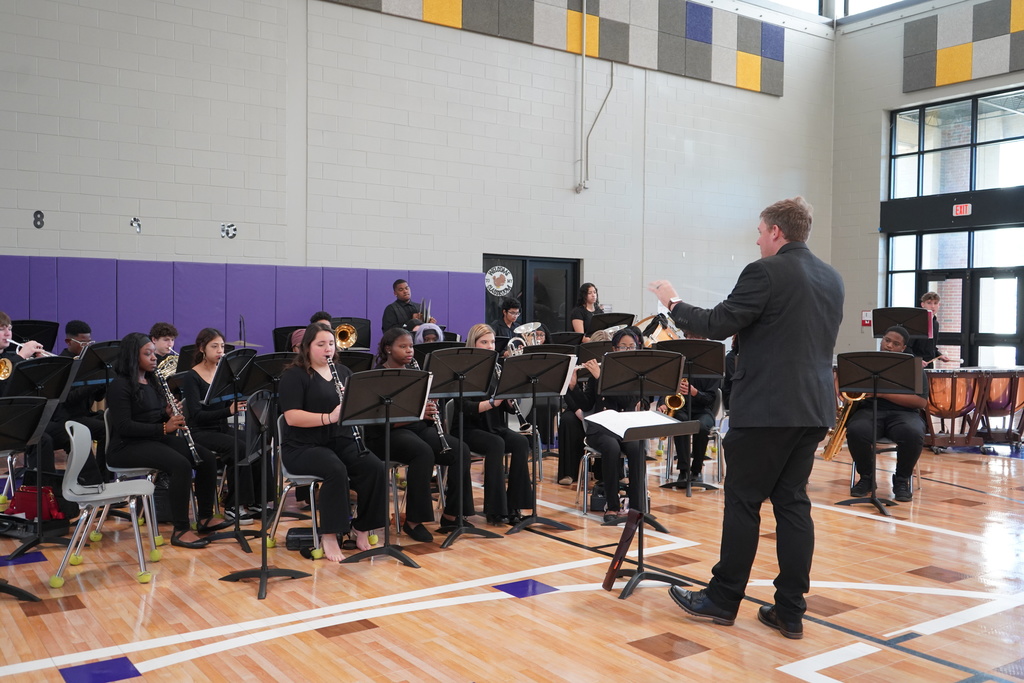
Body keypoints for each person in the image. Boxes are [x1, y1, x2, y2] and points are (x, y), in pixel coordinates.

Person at [650, 196, 844, 640]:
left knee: (742, 502)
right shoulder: (831, 277)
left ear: (777, 231)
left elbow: (716, 323)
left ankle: (722, 599)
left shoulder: (766, 271)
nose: (757, 240)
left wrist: (673, 302)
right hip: (813, 407)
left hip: (768, 410)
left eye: (760, 231)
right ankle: (790, 611)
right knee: (794, 506)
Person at [278, 323, 387, 562]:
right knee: (335, 469)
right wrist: (329, 417)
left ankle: (362, 527)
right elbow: (291, 417)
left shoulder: (344, 372)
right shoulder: (293, 376)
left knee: (374, 467)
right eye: (321, 344)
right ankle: (329, 534)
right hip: (302, 446)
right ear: (307, 347)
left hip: (339, 439)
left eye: (330, 344)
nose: (328, 349)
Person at [105, 332, 220, 549]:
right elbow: (124, 427)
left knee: (205, 457)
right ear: (132, 357)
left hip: (153, 438)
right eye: (146, 354)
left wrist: (166, 414)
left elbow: (152, 416)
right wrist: (163, 427)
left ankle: (205, 517)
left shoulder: (151, 380)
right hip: (126, 446)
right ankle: (181, 529)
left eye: (152, 353)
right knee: (181, 466)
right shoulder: (120, 386)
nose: (153, 358)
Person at [363, 327, 476, 541]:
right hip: (386, 434)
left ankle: (452, 515)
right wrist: (417, 413)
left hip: (418, 428)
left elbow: (421, 412)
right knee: (422, 453)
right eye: (403, 347)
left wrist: (429, 412)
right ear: (388, 349)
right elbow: (377, 420)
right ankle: (414, 521)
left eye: (411, 346)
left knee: (460, 450)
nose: (409, 351)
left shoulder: (417, 374)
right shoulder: (378, 376)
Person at [453, 324, 533, 525]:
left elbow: (503, 408)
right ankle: (495, 509)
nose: (490, 346)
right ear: (473, 344)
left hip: (493, 426)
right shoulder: (463, 370)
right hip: (469, 428)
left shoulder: (497, 369)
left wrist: (508, 400)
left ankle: (514, 504)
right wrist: (491, 403)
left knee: (521, 443)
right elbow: (464, 407)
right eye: (484, 342)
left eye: (491, 342)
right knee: (496, 444)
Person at [182, 328, 256, 525]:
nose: (220, 351)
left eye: (222, 346)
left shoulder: (223, 374)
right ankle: (233, 506)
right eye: (214, 346)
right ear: (202, 349)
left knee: (254, 440)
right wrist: (228, 411)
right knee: (238, 448)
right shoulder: (192, 377)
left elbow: (228, 403)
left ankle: (256, 501)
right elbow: (197, 415)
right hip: (200, 431)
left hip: (220, 428)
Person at [846, 325, 927, 503]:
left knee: (913, 433)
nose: (889, 346)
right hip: (869, 411)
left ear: (903, 348)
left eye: (896, 344)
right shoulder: (866, 362)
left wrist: (883, 394)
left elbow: (921, 402)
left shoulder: (913, 366)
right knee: (856, 430)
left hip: (904, 414)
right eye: (887, 340)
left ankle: (901, 481)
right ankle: (866, 478)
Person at [583, 327, 647, 524]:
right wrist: (571, 387)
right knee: (611, 447)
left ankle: (637, 506)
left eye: (631, 347)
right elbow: (586, 404)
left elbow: (627, 402)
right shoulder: (602, 369)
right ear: (614, 349)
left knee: (637, 447)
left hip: (623, 426)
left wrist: (600, 377)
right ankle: (611, 506)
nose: (627, 350)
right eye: (623, 347)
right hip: (599, 428)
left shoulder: (636, 374)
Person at [908, 292, 951, 365]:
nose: (933, 306)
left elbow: (931, 347)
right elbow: (907, 347)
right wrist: (916, 361)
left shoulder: (935, 324)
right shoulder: (915, 323)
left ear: (939, 305)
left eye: (935, 303)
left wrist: (940, 356)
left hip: (929, 363)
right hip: (915, 364)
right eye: (929, 303)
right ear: (922, 305)